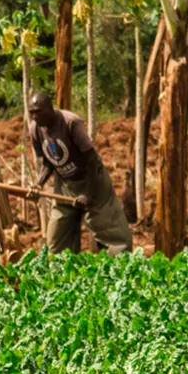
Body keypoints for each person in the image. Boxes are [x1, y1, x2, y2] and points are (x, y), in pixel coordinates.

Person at [26, 90, 133, 256]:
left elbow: (91, 159)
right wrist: (38, 184)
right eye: (31, 113)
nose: (34, 117)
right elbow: (48, 161)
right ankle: (64, 276)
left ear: (50, 108)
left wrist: (88, 194)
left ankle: (118, 272)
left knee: (112, 235)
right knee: (57, 240)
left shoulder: (71, 123)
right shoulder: (35, 130)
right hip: (65, 183)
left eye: (38, 112)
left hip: (91, 179)